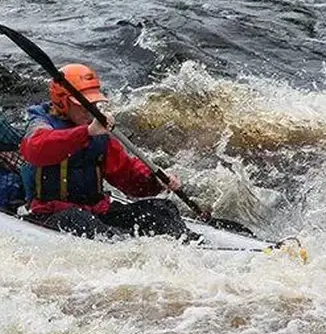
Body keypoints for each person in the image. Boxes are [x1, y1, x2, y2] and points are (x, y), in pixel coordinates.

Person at [20, 63, 197, 240]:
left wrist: (155, 181)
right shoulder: (41, 123)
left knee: (161, 210)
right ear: (63, 102)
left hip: (96, 212)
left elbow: (127, 177)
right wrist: (86, 132)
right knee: (79, 220)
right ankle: (120, 246)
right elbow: (35, 150)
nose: (90, 110)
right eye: (84, 105)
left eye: (94, 103)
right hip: (51, 215)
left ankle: (192, 245)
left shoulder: (98, 131)